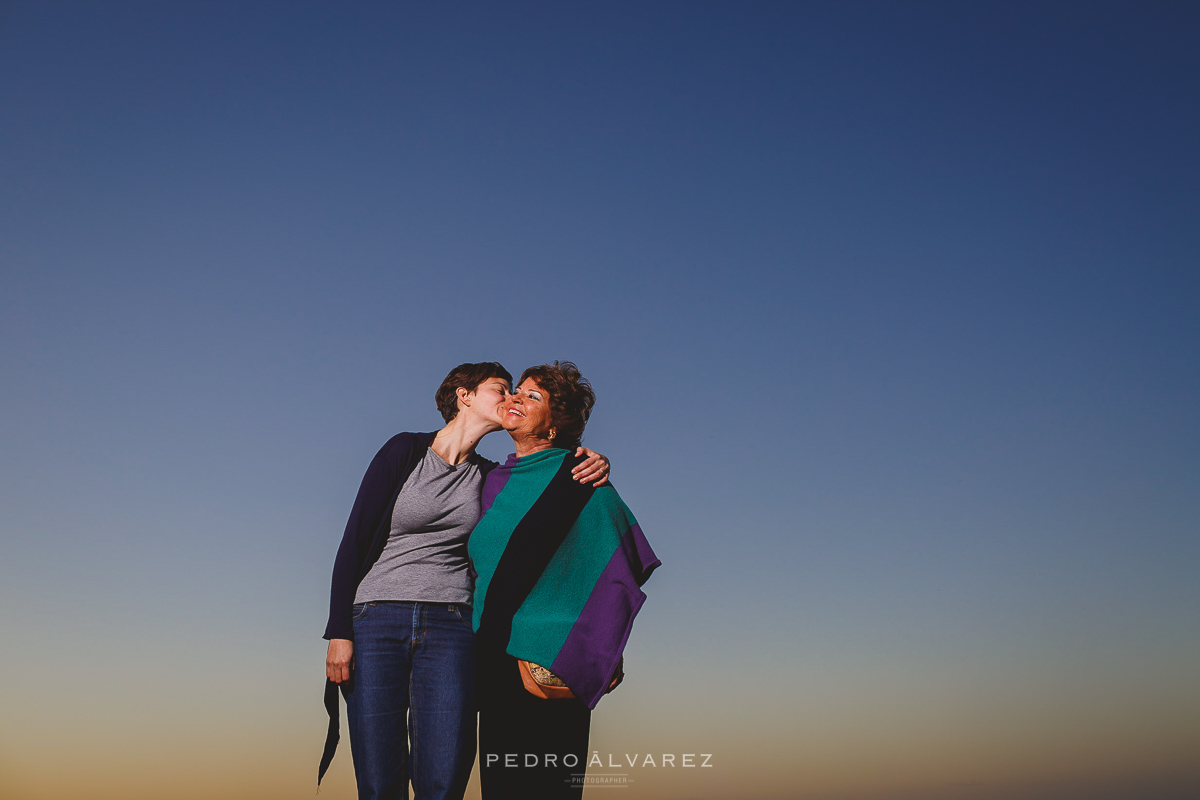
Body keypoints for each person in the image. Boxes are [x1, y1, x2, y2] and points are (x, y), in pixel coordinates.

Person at [319, 362, 610, 800]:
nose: (511, 397)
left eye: (518, 392)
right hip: (376, 618)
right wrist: (339, 631)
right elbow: (354, 541)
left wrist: (590, 458)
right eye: (501, 388)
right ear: (464, 395)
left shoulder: (493, 476)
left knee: (444, 777)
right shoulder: (404, 451)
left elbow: (542, 483)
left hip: (452, 628)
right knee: (379, 780)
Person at [469, 362, 659, 799]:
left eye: (533, 397)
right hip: (490, 663)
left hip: (549, 668)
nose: (516, 398)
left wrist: (602, 650)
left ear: (555, 425)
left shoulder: (582, 478)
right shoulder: (489, 481)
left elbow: (617, 570)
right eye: (517, 391)